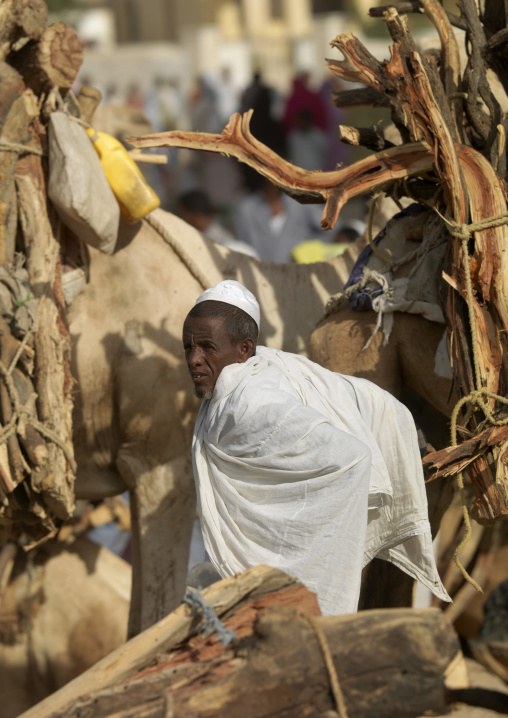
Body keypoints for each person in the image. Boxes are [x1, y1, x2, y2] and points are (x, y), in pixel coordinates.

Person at [182, 280, 450, 615]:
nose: (194, 359)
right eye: (188, 348)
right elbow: (343, 389)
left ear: (244, 349)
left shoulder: (252, 405)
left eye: (207, 347)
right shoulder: (258, 368)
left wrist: (308, 548)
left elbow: (351, 459)